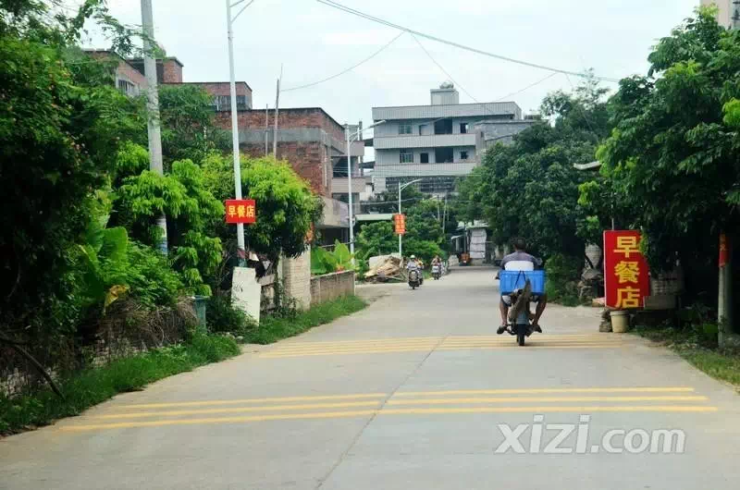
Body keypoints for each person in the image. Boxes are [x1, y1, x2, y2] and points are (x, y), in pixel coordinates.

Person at [497, 238, 547, 334]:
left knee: (502, 298)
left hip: (511, 291)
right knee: (543, 297)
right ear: (525, 247)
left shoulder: (506, 259)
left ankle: (504, 322)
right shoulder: (532, 259)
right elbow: (536, 274)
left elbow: (501, 272)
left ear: (514, 247)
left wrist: (499, 276)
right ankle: (535, 322)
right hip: (529, 292)